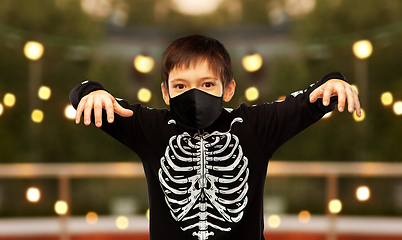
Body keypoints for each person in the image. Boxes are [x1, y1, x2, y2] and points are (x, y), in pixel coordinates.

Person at [69, 35, 361, 240]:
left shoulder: (253, 126)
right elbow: (86, 94)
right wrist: (91, 90)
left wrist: (334, 81)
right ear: (165, 92)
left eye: (207, 84)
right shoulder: (152, 129)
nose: (194, 94)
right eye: (180, 85)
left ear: (229, 88)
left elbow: (312, 98)